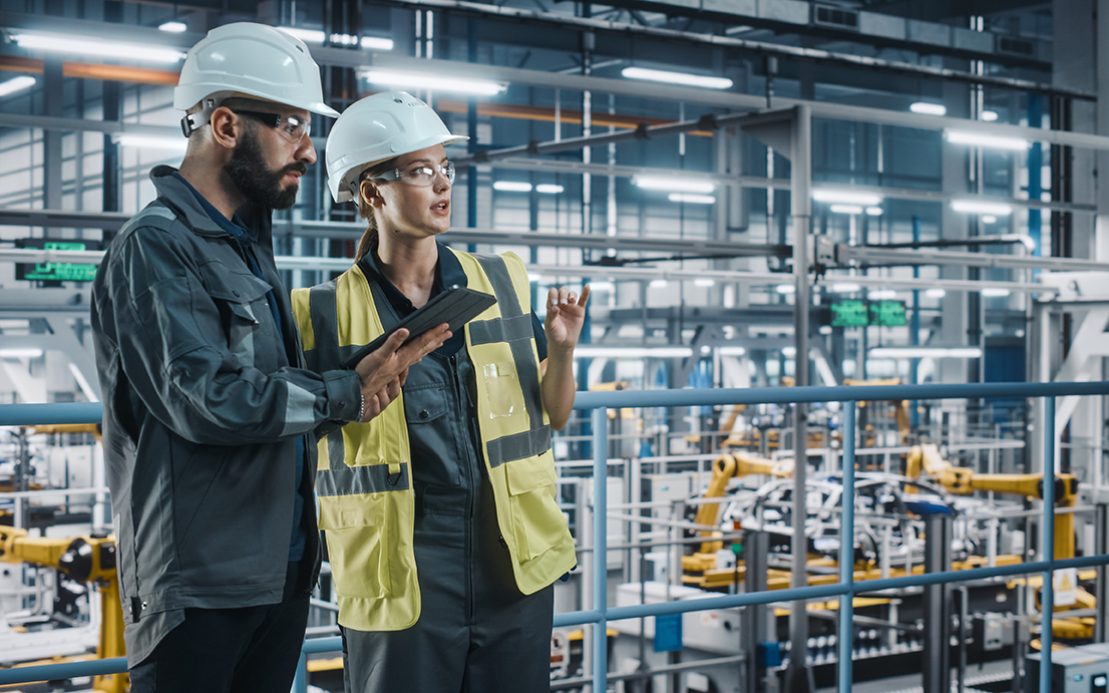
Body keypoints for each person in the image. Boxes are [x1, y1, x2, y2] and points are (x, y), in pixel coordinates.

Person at [90, 26, 448, 692]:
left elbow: (266, 382)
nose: (309, 152)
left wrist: (369, 363)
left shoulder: (245, 247)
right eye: (292, 127)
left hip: (275, 569)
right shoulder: (155, 248)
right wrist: (345, 390)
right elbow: (206, 397)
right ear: (225, 124)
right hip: (197, 584)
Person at [290, 90, 588, 692]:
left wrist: (561, 351)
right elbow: (295, 431)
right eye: (421, 171)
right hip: (399, 575)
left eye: (445, 168)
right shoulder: (317, 315)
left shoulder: (502, 279)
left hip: (512, 566)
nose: (442, 185)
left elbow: (554, 415)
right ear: (372, 192)